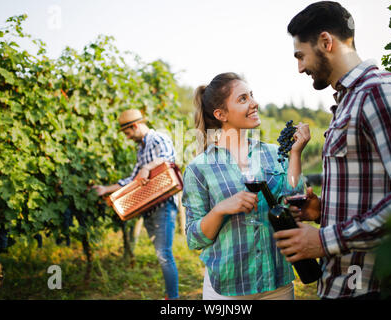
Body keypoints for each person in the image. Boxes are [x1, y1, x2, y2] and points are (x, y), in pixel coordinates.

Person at [273, 1, 391, 300]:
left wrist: (324, 240)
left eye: (300, 56)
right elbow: (373, 190)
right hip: (344, 284)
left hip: (374, 287)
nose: (300, 67)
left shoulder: (381, 92)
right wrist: (324, 212)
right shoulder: (349, 101)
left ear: (325, 42)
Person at [182, 72, 311, 300]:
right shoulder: (199, 167)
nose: (254, 103)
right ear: (220, 114)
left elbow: (295, 201)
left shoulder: (274, 154)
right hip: (228, 288)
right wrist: (221, 208)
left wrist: (296, 154)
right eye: (243, 99)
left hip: (276, 283)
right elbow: (194, 238)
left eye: (251, 95)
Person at [92, 109, 180, 300]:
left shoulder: (158, 139)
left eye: (127, 133)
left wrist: (147, 167)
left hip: (164, 205)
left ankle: (173, 299)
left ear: (134, 126)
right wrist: (106, 189)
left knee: (164, 254)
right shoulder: (141, 149)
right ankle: (170, 295)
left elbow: (170, 157)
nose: (128, 137)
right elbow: (133, 179)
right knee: (161, 253)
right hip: (150, 207)